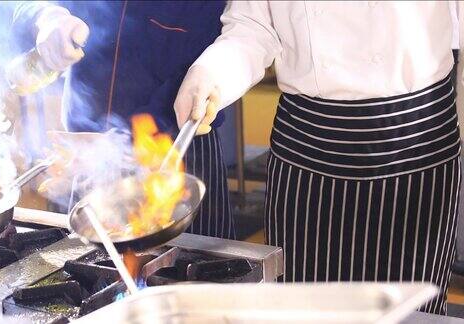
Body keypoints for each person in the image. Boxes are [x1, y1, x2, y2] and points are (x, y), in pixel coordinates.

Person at [174, 1, 460, 314]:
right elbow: (254, 25)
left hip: (415, 148)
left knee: (410, 315)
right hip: (307, 151)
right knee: (302, 311)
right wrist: (211, 72)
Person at [12, 1, 236, 239]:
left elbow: (211, 67)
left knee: (202, 272)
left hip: (179, 152)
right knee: (86, 271)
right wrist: (46, 17)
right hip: (84, 162)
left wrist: (117, 144)